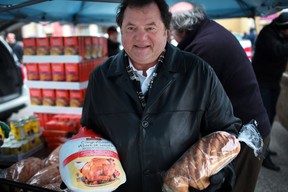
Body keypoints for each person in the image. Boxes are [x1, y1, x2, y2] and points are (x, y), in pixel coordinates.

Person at [80, 0, 245, 191]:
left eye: (151, 27)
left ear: (167, 31)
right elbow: (88, 135)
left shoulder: (197, 72)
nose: (141, 38)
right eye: (131, 28)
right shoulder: (100, 78)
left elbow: (226, 131)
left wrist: (214, 174)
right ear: (121, 31)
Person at [169, 2, 271, 192]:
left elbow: (190, 101)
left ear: (178, 28)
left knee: (236, 186)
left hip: (245, 135)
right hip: (240, 128)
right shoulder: (208, 33)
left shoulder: (204, 47)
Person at [252, 12, 288, 171]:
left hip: (273, 82)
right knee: (264, 118)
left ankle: (265, 147)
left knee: (271, 115)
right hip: (263, 82)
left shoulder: (280, 35)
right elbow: (278, 51)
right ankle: (262, 155)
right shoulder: (267, 35)